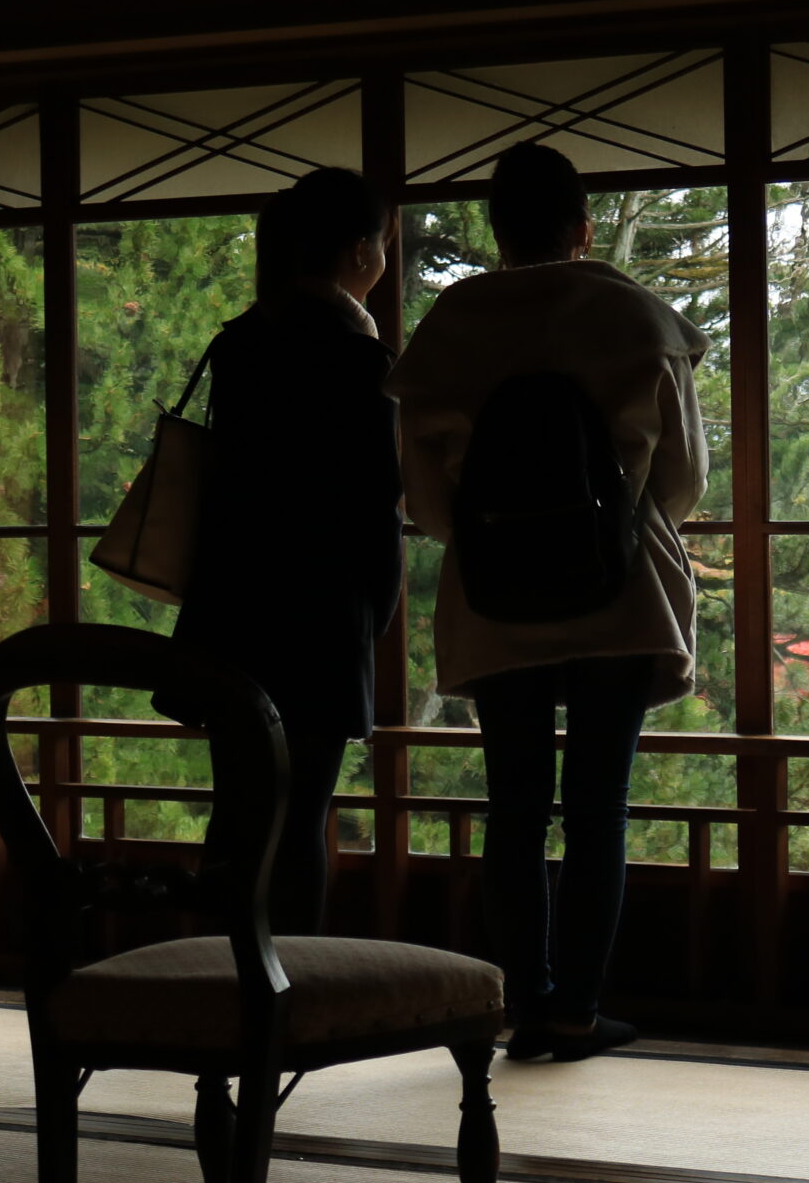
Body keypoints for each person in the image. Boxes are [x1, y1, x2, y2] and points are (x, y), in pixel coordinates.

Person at [388, 144, 709, 1061]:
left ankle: (523, 1004)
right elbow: (683, 482)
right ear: (583, 229)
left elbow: (428, 507)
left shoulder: (453, 328)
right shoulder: (634, 317)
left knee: (516, 809)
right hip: (620, 599)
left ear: (497, 230)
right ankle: (577, 1010)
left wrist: (500, 530)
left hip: (496, 602)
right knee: (599, 807)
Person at [161, 167, 405, 936]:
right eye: (384, 243)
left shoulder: (241, 344)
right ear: (361, 251)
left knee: (237, 813)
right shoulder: (359, 360)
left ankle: (220, 979)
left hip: (231, 618)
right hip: (321, 626)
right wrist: (375, 615)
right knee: (300, 820)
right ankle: (288, 987)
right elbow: (376, 510)